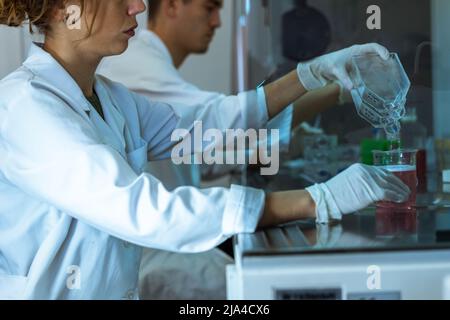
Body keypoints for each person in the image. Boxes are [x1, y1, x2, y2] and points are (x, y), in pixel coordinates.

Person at [0, 0, 409, 300]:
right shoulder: (28, 108)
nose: (138, 6)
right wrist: (314, 200)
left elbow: (209, 126)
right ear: (62, 11)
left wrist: (311, 73)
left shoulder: (110, 97)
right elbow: (144, 211)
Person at [97, 0, 364, 299]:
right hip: (155, 256)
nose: (217, 23)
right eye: (208, 9)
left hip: (172, 239)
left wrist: (266, 152)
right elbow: (225, 123)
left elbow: (199, 150)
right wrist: (337, 89)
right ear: (172, 6)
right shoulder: (139, 63)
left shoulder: (150, 66)